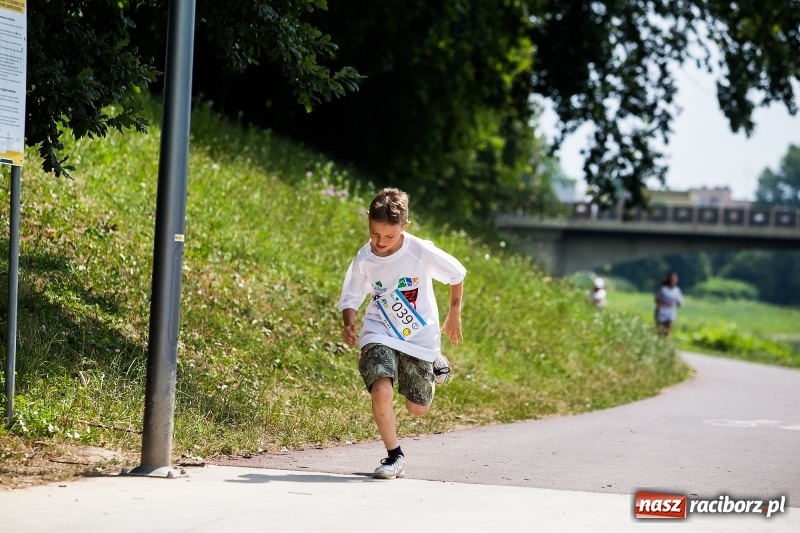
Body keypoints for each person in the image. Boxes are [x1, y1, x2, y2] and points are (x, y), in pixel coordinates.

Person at [338, 187, 466, 480]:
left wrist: (454, 315)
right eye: (374, 233)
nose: (380, 242)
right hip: (379, 330)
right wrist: (348, 322)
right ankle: (394, 456)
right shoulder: (364, 258)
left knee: (417, 409)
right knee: (381, 390)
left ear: (404, 228)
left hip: (419, 338)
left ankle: (434, 361)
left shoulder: (419, 251)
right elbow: (351, 293)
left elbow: (457, 273)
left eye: (388, 236)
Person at [654, 271, 683, 337]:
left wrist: (679, 303)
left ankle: (666, 344)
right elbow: (657, 299)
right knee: (660, 331)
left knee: (668, 331)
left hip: (670, 311)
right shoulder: (663, 289)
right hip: (662, 311)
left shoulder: (677, 290)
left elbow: (679, 302)